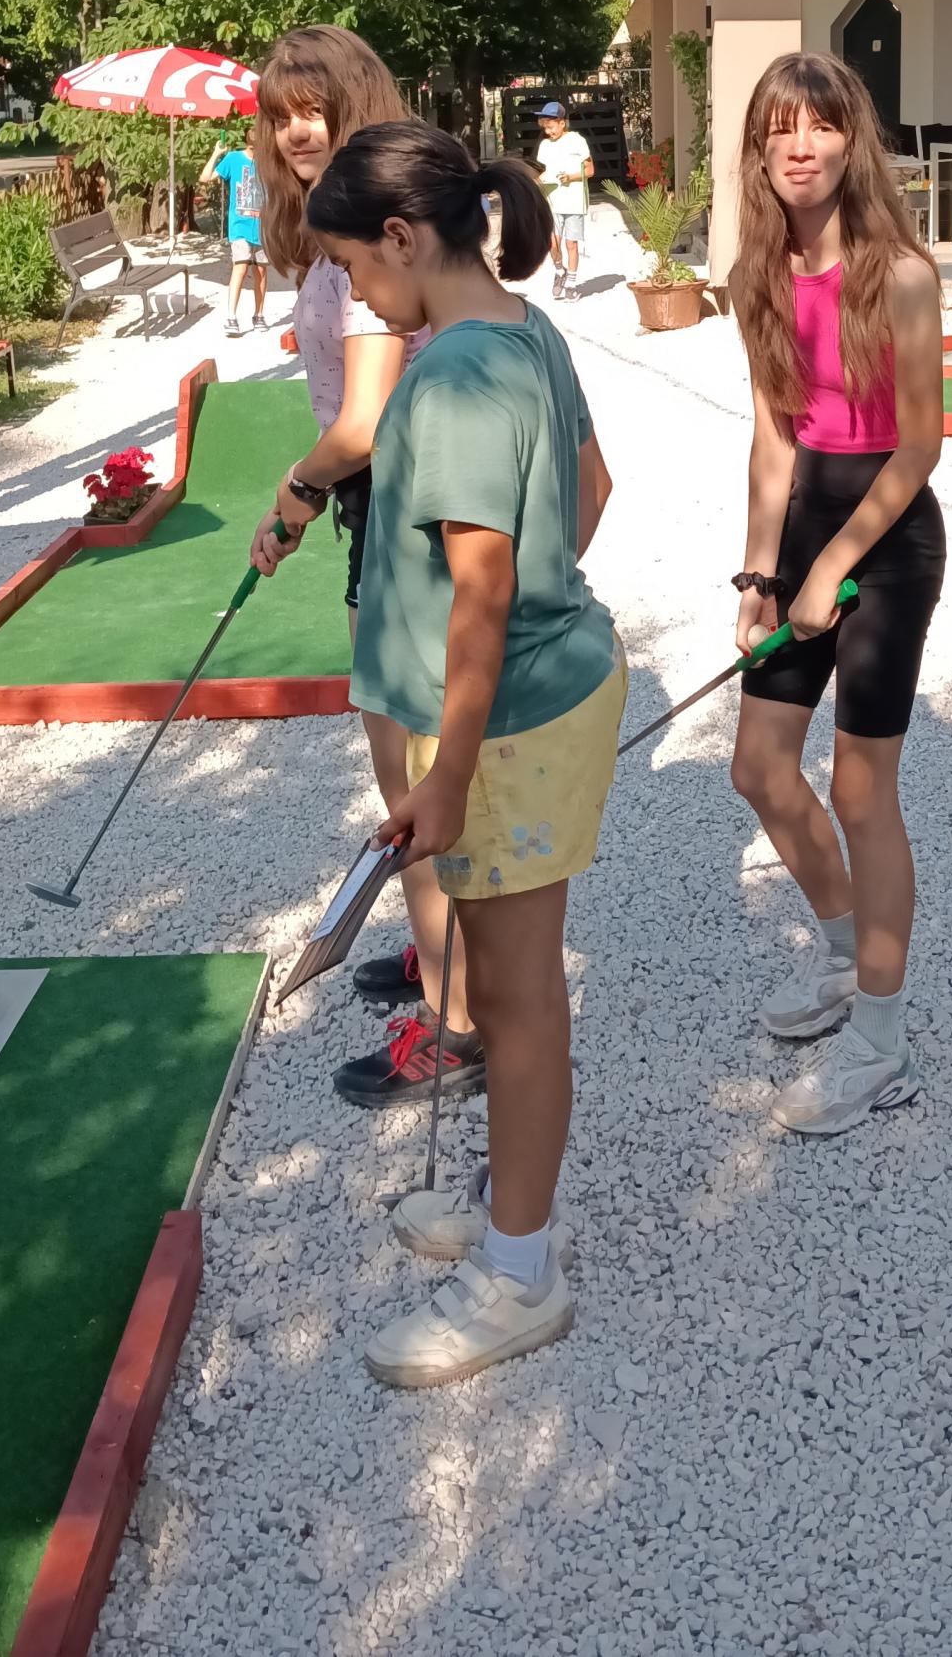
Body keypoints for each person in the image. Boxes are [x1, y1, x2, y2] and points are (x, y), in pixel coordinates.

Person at [303, 119, 621, 1386]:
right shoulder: (526, 330)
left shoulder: (451, 380)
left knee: (520, 999)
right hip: (533, 706)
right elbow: (590, 494)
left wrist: (447, 770)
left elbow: (483, 594)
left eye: (355, 268)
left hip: (505, 730)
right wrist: (543, 597)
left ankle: (519, 1271)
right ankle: (511, 1201)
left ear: (401, 237)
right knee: (508, 980)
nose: (360, 296)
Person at [246, 26, 480, 1114]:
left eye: (315, 108)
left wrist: (294, 492)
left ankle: (458, 1024)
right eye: (280, 114)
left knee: (410, 781)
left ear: (355, 105)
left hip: (399, 507)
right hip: (386, 509)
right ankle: (441, 960)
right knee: (407, 766)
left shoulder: (362, 259)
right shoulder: (348, 238)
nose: (297, 130)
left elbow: (367, 423)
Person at [725, 50, 945, 1137]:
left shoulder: (900, 273)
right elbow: (774, 442)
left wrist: (832, 567)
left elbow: (921, 447)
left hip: (889, 542)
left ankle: (883, 1042)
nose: (800, 147)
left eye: (819, 126)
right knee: (760, 769)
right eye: (781, 129)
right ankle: (845, 956)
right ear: (758, 150)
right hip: (807, 532)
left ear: (852, 141)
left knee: (862, 794)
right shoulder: (755, 277)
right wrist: (764, 577)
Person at [198, 138, 269, 336]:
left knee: (261, 271)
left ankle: (259, 314)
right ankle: (231, 316)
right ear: (249, 142)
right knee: (241, 266)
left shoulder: (269, 161)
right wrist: (216, 153)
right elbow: (205, 178)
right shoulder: (233, 158)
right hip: (239, 226)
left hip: (263, 227)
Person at [535, 99, 592, 300]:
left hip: (574, 201)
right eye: (545, 128)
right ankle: (560, 271)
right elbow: (545, 172)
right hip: (552, 201)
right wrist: (535, 182)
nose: (548, 131)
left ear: (562, 123)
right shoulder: (544, 145)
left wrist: (571, 177)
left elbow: (590, 170)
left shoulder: (577, 141)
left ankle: (572, 284)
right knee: (552, 244)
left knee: (571, 244)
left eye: (551, 127)